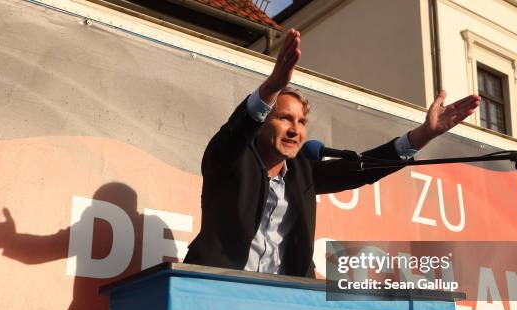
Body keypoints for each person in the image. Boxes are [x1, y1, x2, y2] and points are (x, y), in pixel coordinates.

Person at [184, 29, 480, 278]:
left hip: (280, 300)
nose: (294, 130)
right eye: (285, 118)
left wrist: (423, 135)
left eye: (301, 122)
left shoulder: (302, 173)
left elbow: (359, 170)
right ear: (262, 125)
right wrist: (272, 87)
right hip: (217, 289)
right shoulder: (232, 159)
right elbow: (235, 133)